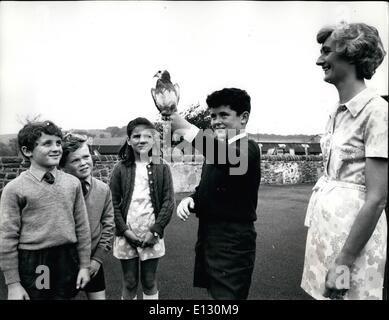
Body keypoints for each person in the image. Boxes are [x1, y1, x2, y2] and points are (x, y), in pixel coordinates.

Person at [301, 22, 388, 300]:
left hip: (351, 244)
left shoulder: (377, 111)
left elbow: (377, 198)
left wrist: (343, 264)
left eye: (326, 51)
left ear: (350, 54)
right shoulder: (336, 112)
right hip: (325, 233)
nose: (319, 60)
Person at [167, 87, 261, 300]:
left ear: (244, 117)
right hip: (210, 237)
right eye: (213, 115)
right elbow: (208, 188)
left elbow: (230, 159)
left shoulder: (248, 147)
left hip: (233, 240)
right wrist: (191, 199)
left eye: (224, 115)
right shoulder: (217, 151)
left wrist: (186, 128)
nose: (216, 121)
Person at [0, 121, 91, 300]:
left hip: (67, 257)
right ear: (27, 151)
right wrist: (13, 284)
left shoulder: (72, 183)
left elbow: (82, 227)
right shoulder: (15, 188)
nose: (56, 148)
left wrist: (84, 266)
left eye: (58, 143)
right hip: (36, 261)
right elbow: (7, 237)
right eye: (47, 143)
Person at [109, 117, 175, 300]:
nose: (142, 140)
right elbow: (112, 203)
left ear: (154, 139)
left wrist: (155, 231)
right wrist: (124, 230)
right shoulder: (120, 169)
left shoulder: (162, 167)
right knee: (129, 282)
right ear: (129, 140)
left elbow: (168, 202)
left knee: (149, 280)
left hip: (151, 233)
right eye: (136, 136)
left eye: (147, 136)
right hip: (126, 234)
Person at [59, 133, 115, 300]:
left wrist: (97, 259)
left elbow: (109, 226)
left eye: (86, 157)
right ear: (63, 166)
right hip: (63, 262)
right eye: (75, 160)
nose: (83, 163)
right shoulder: (57, 192)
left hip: (92, 261)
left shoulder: (103, 189)